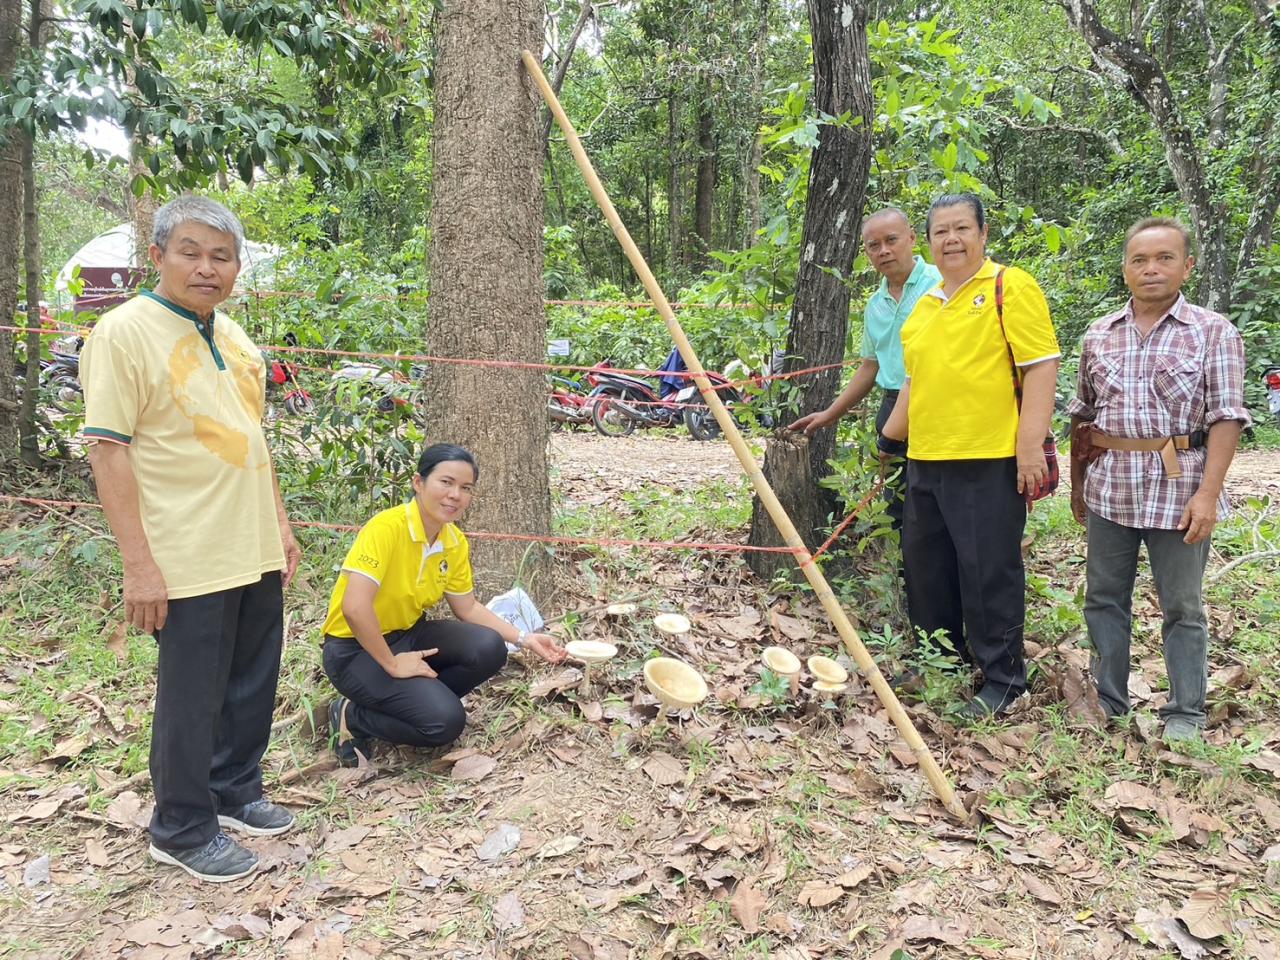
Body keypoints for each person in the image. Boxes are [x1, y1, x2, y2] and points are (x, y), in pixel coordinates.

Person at [82, 195, 301, 883]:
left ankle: (234, 788)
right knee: (193, 692)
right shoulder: (123, 334)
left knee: (250, 678)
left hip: (252, 541)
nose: (207, 268)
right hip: (185, 550)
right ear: (158, 257)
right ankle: (179, 826)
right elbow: (107, 451)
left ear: (237, 268)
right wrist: (139, 566)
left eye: (222, 256)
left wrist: (282, 525)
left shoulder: (234, 337)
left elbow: (251, 436)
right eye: (191, 252)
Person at [1067, 217, 1249, 742]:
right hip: (1112, 487)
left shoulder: (1214, 331)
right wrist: (1079, 487)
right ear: (1124, 269)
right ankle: (1109, 703)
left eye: (1165, 258)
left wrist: (1209, 495)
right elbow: (1084, 415)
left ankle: (1185, 713)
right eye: (1140, 260)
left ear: (1186, 266)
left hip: (1180, 489)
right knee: (1104, 598)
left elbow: (1227, 417)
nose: (1151, 269)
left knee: (1183, 606)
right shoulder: (1100, 333)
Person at [882, 193, 1060, 718]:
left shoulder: (1010, 286)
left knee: (987, 570)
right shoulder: (927, 302)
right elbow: (916, 383)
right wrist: (889, 442)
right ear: (929, 241)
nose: (951, 239)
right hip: (927, 459)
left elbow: (1041, 369)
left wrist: (1030, 449)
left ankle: (1004, 679)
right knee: (927, 566)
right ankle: (940, 661)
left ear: (983, 234)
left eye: (962, 228)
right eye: (941, 231)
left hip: (988, 458)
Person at [322, 443, 567, 765]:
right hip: (355, 650)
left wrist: (525, 638)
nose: (455, 495)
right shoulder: (386, 528)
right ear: (418, 483)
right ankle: (352, 716)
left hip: (409, 635)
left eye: (466, 488)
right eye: (446, 482)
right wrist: (393, 664)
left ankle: (415, 701)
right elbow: (354, 607)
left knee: (489, 646)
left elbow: (467, 608)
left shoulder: (453, 541)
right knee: (444, 724)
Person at [787, 207, 941, 531]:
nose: (884, 250)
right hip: (891, 405)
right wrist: (829, 414)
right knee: (899, 505)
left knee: (940, 502)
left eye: (891, 240)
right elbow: (871, 367)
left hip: (936, 406)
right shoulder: (875, 304)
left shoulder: (941, 285)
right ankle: (905, 578)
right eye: (874, 245)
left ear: (912, 239)